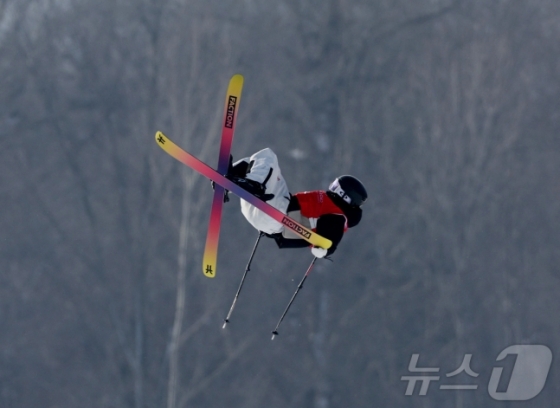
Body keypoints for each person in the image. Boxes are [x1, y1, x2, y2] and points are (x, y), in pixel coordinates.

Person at [224, 148, 367, 258]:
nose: (332, 187)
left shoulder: (338, 216)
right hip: (265, 216)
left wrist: (326, 249)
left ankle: (251, 184)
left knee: (268, 157)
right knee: (254, 163)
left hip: (278, 213)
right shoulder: (330, 206)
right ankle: (229, 180)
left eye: (336, 186)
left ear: (345, 195)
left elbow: (332, 236)